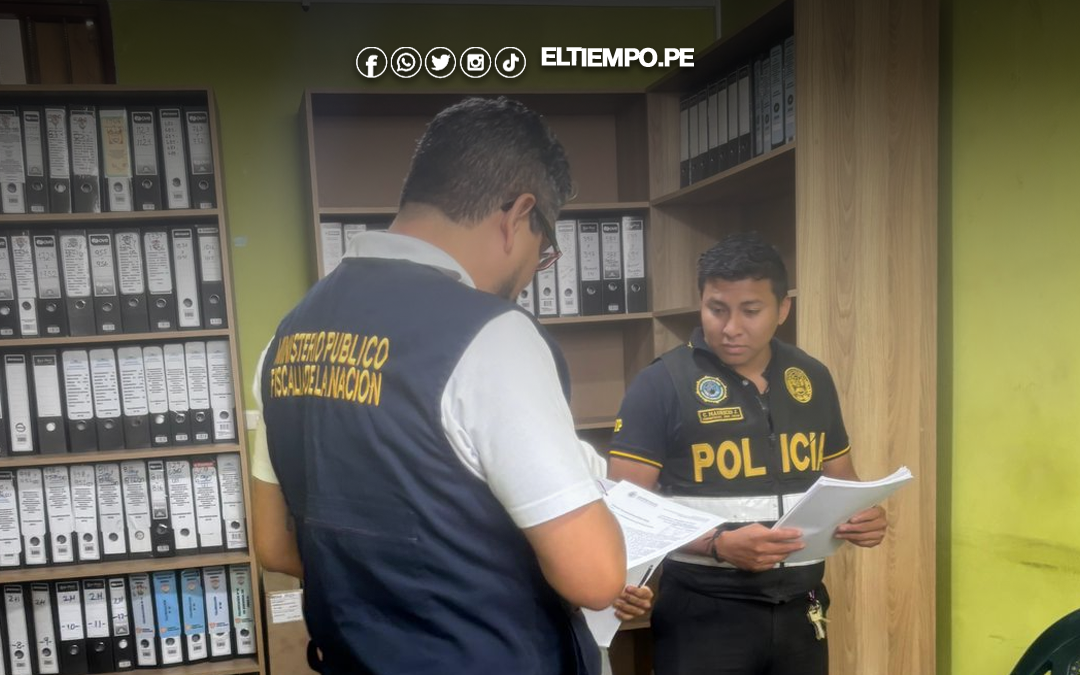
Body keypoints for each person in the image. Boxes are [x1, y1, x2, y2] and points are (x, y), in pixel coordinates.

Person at [250, 96, 643, 675]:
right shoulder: (492, 336)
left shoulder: (286, 338)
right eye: (543, 252)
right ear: (518, 215)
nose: (530, 275)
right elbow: (595, 578)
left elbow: (275, 544)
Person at [606, 232, 888, 675]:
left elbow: (842, 479)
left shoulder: (812, 377)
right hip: (703, 612)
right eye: (717, 309)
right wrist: (717, 545)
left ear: (782, 309)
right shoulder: (661, 383)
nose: (731, 327)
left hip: (802, 608)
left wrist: (864, 515)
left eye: (751, 311)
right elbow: (623, 510)